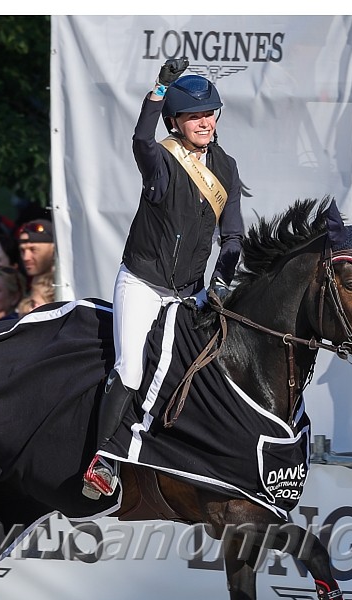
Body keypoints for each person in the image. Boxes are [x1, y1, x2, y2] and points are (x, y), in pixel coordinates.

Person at [82, 57, 244, 499]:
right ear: (175, 122)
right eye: (194, 116)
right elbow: (139, 137)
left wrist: (221, 284)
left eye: (210, 113)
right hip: (142, 284)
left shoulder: (226, 169)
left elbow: (232, 239)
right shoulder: (160, 160)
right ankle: (103, 460)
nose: (205, 122)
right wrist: (156, 91)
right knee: (131, 369)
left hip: (189, 293)